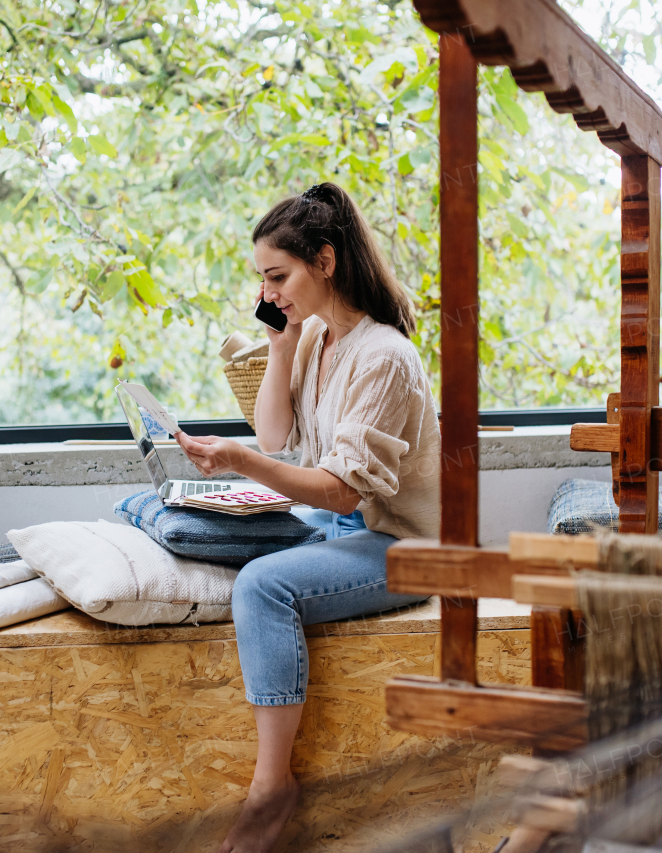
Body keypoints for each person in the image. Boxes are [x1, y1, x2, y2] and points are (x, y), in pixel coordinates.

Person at [175, 182, 441, 853]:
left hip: (398, 545)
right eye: (263, 281)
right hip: (336, 532)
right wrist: (287, 338)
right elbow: (272, 435)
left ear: (324, 261)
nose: (268, 293)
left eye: (278, 276)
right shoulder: (317, 336)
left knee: (262, 584)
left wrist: (235, 461)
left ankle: (272, 788)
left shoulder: (384, 356)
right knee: (173, 520)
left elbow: (340, 492)